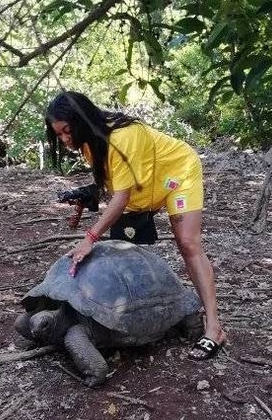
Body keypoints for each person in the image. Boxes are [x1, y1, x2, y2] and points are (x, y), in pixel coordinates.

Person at [44, 91, 226, 360]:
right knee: (124, 256)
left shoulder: (123, 137)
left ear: (80, 120)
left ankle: (214, 327)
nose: (65, 139)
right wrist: (90, 195)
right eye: (59, 135)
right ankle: (125, 325)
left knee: (188, 244)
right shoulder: (88, 143)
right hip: (142, 189)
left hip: (176, 174)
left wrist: (90, 236)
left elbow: (122, 196)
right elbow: (114, 181)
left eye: (67, 131)